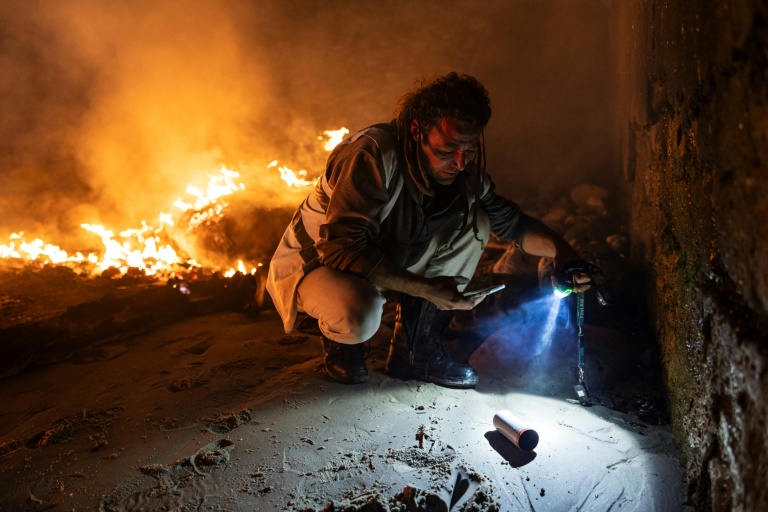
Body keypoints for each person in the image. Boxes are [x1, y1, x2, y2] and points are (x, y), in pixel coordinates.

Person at [266, 72, 590, 388]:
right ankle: (344, 345)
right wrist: (426, 288)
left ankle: (415, 351)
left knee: (476, 221)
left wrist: (565, 254)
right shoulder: (372, 155)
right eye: (447, 149)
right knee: (357, 314)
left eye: (470, 149)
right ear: (417, 131)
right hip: (321, 263)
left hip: (383, 257)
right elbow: (343, 249)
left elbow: (514, 224)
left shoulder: (463, 173)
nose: (460, 163)